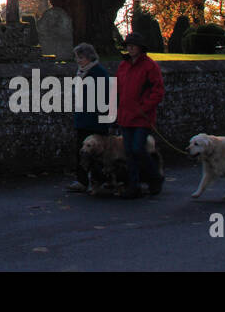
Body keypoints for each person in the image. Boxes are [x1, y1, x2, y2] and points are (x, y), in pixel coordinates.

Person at [114, 31, 164, 198]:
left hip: (142, 116)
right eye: (128, 46)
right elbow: (119, 90)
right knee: (129, 151)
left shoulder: (150, 66)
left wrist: (144, 107)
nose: (130, 49)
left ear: (140, 48)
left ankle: (154, 178)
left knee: (137, 149)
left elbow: (158, 91)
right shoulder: (124, 66)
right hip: (126, 115)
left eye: (133, 46)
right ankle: (133, 185)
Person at [66, 43, 111, 193]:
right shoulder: (82, 72)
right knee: (81, 151)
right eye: (77, 57)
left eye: (81, 57)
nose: (78, 60)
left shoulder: (98, 72)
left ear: (89, 57)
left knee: (97, 154)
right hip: (83, 118)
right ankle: (82, 180)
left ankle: (99, 182)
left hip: (95, 120)